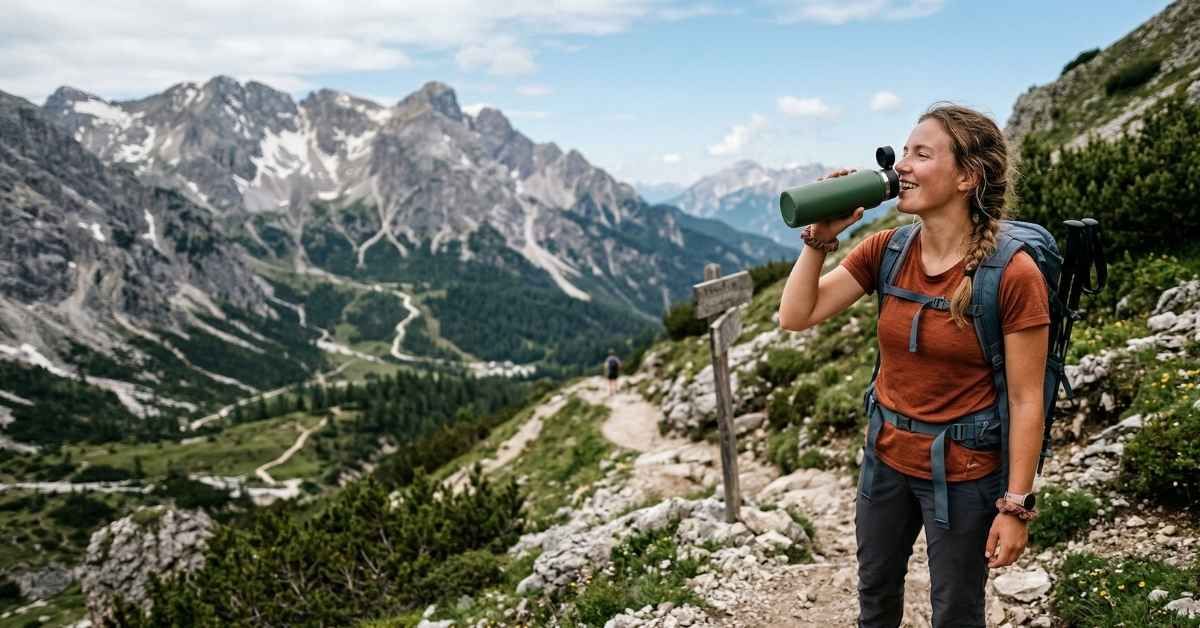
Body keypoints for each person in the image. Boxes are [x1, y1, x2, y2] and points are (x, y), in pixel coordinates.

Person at [777, 103, 1049, 627]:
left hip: (965, 472)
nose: (901, 166)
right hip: (887, 457)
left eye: (921, 154)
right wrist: (819, 238)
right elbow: (796, 314)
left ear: (967, 176)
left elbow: (1026, 398)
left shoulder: (1013, 274)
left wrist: (1015, 507)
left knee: (955, 612)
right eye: (903, 152)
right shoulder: (887, 248)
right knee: (875, 597)